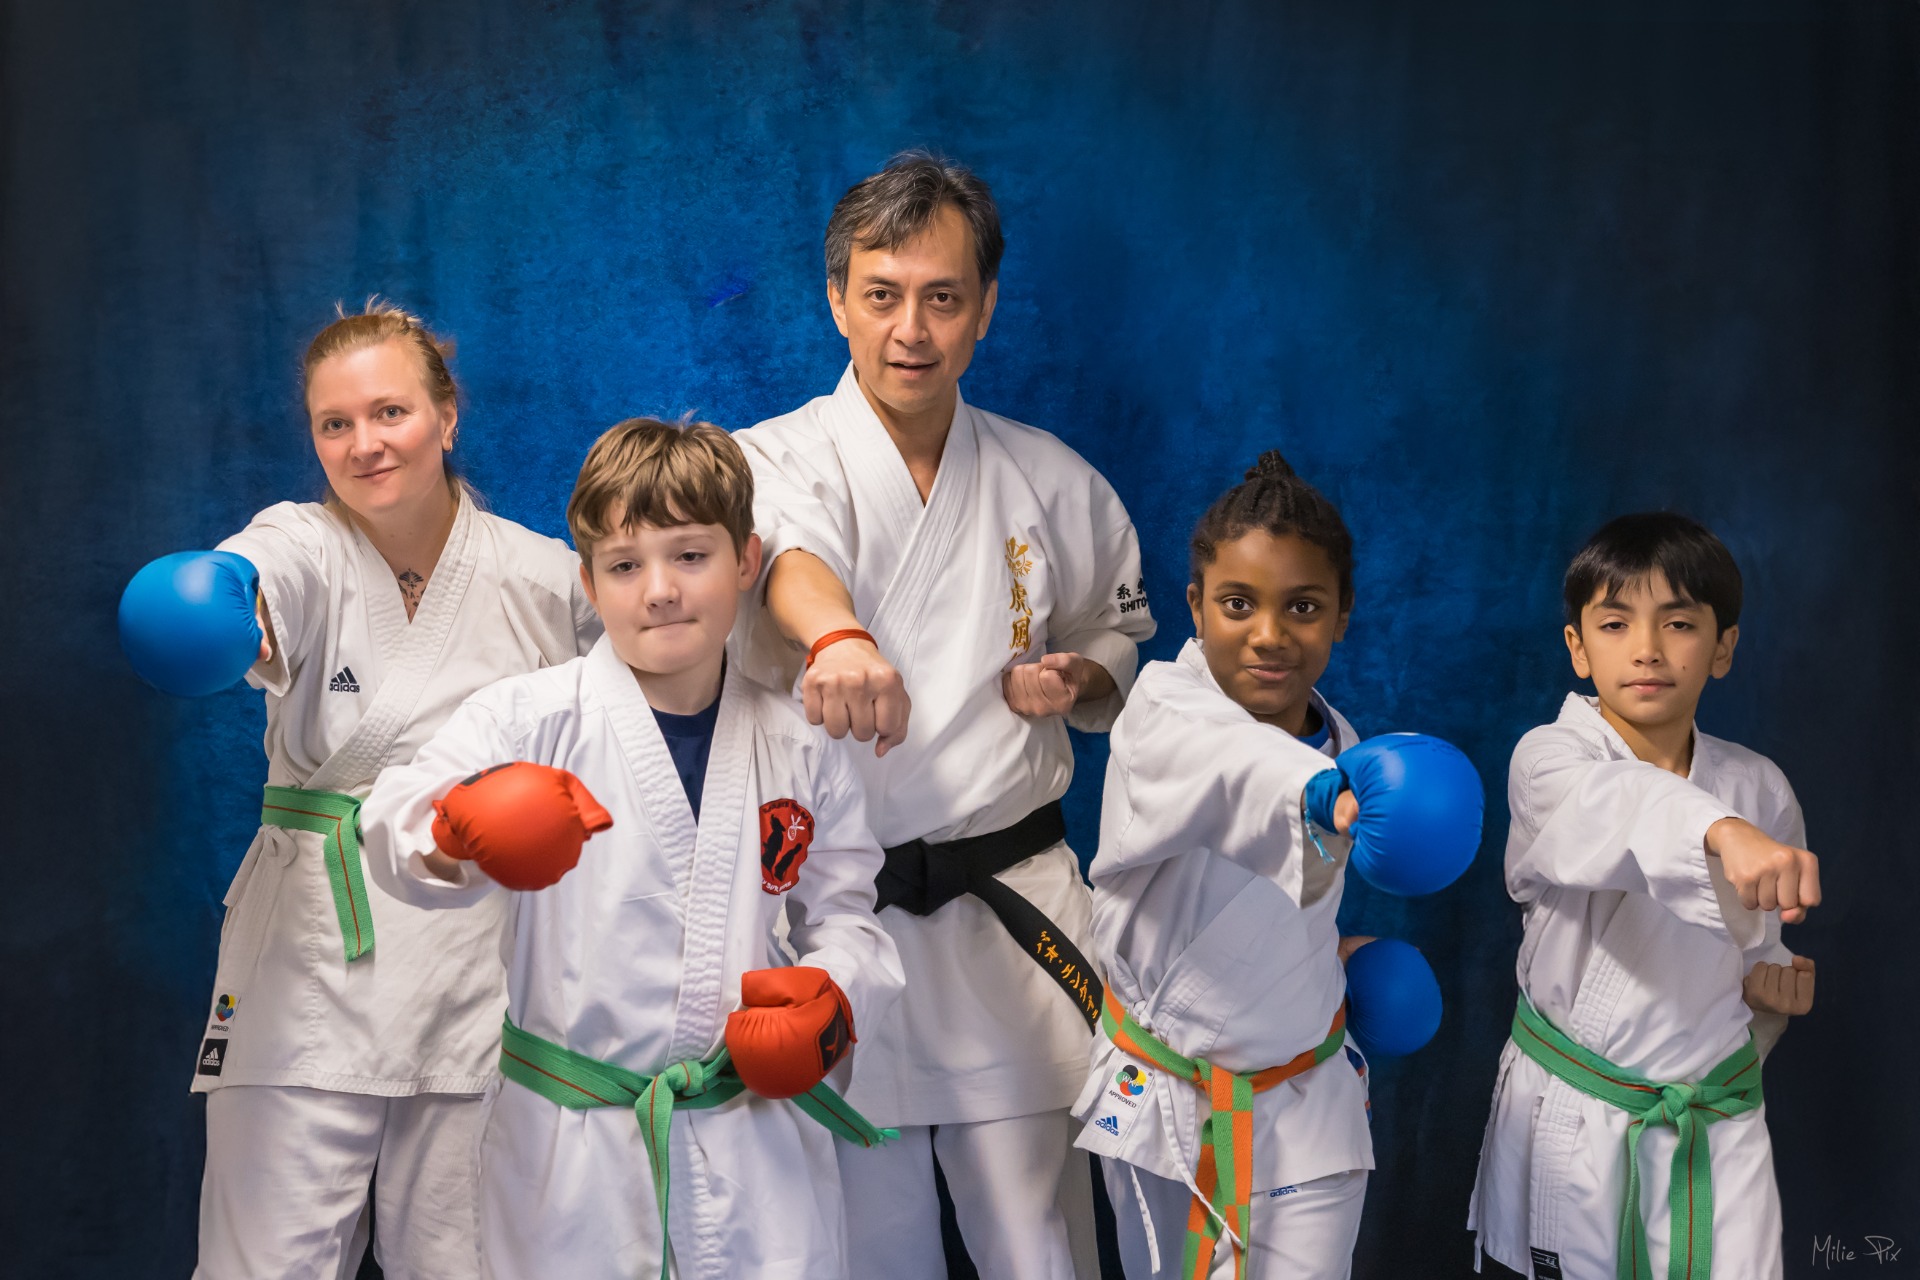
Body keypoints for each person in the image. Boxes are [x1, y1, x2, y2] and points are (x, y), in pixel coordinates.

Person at [733, 151, 1156, 1279]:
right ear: (837, 299)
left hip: (1005, 909)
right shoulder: (763, 459)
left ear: (986, 308)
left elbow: (1118, 633)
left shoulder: (1052, 477)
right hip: (836, 920)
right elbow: (788, 557)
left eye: (942, 297)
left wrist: (1081, 679)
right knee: (867, 1253)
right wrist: (839, 638)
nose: (910, 329)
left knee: (1038, 1245)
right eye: (882, 294)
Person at [360, 418, 905, 1280]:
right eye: (623, 566)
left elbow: (846, 914)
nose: (659, 591)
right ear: (589, 582)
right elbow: (390, 821)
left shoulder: (799, 743)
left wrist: (832, 1003)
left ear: (747, 561)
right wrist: (456, 833)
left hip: (756, 1142)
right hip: (573, 1156)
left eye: (690, 556)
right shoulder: (527, 721)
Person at [125, 302, 602, 1279]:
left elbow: (650, 677)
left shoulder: (544, 577)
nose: (364, 444)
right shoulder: (302, 542)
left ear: (447, 416)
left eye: (390, 412)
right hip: (307, 971)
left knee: (473, 1263)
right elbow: (257, 572)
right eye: (334, 423)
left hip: (480, 967)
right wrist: (232, 598)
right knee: (265, 1263)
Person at [1075, 452, 1478, 1280]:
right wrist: (1322, 795)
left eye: (1302, 606)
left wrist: (1336, 953)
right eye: (1238, 604)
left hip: (1306, 1097)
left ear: (1342, 615)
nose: (1269, 634)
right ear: (1196, 606)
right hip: (1171, 1105)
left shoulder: (1346, 746)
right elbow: (1233, 768)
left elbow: (1275, 912)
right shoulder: (1162, 711)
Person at [1468, 512, 1821, 1280]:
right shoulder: (1548, 761)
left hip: (1714, 1128)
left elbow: (1751, 956)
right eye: (1616, 623)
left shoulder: (1760, 788)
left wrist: (1769, 994)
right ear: (1578, 647)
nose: (1648, 649)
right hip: (1577, 1121)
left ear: (1723, 647)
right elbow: (1618, 808)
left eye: (1680, 624)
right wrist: (1721, 832)